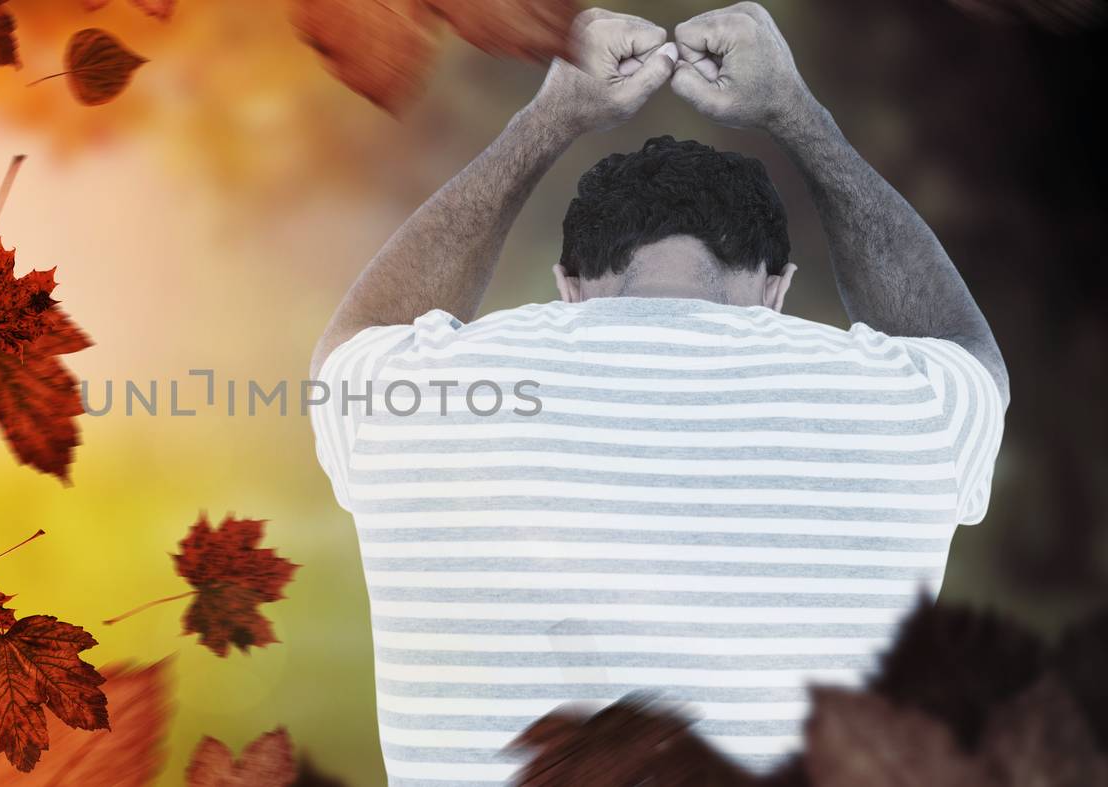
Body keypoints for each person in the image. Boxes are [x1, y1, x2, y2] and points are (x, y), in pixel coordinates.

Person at [307, 3, 1009, 783]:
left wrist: (548, 121)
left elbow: (351, 344)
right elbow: (965, 353)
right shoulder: (905, 409)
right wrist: (799, 116)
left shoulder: (424, 400)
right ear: (775, 290)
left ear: (569, 285)